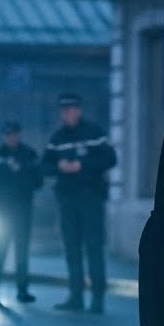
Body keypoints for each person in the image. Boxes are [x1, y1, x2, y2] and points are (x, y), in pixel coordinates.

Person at [41, 92, 117, 314]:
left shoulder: (94, 133)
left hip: (91, 198)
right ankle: (75, 296)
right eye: (64, 110)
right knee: (71, 249)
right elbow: (44, 166)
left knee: (94, 248)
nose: (68, 113)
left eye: (71, 109)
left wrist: (81, 165)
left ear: (79, 110)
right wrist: (59, 167)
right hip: (67, 200)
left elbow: (110, 159)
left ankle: (97, 299)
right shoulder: (57, 139)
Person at [0, 120, 43, 304]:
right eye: (8, 135)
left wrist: (20, 174)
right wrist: (5, 175)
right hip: (1, 210)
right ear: (4, 136)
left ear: (19, 135)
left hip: (23, 209)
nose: (11, 138)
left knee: (22, 251)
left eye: (14, 134)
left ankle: (22, 290)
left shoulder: (29, 155)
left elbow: (38, 181)